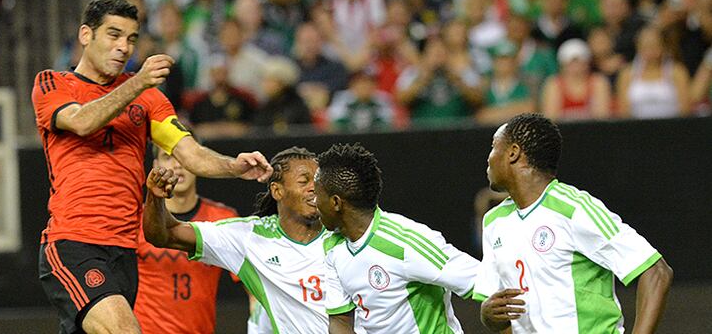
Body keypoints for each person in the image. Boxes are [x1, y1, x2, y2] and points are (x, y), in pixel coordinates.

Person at [31, 0, 272, 334]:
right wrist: (137, 82)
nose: (123, 47)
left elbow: (189, 153)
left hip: (125, 250)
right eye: (113, 35)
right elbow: (82, 122)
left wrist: (234, 166)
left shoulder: (149, 100)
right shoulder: (54, 83)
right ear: (86, 35)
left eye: (130, 39)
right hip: (74, 243)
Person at [474, 113, 673, 333]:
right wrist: (489, 316)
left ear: (513, 153)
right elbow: (502, 313)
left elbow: (656, 272)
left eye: (493, 147)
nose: (488, 158)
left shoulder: (574, 209)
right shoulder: (494, 222)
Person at [144, 147, 332, 334]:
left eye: (318, 181)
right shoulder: (250, 239)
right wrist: (155, 197)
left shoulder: (343, 235)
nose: (314, 188)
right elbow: (165, 234)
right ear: (277, 191)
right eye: (304, 181)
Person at [314, 143, 479, 334]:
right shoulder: (332, 246)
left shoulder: (406, 242)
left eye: (317, 195)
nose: (314, 202)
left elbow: (483, 280)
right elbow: (340, 320)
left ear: (336, 202)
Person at [134, 145, 241, 334]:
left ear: (199, 162)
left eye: (184, 157)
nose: (177, 165)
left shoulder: (223, 219)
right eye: (168, 157)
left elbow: (254, 285)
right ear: (155, 165)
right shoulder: (135, 219)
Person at [616, 26, 691, 119]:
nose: (650, 51)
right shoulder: (627, 73)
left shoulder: (677, 72)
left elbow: (685, 109)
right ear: (638, 47)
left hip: (672, 128)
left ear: (663, 46)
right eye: (645, 46)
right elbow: (624, 111)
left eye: (654, 46)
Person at [541, 39, 611, 120]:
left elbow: (602, 117)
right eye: (571, 62)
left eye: (579, 61)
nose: (575, 66)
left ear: (587, 63)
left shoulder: (598, 82)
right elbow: (551, 119)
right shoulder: (554, 84)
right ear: (563, 64)